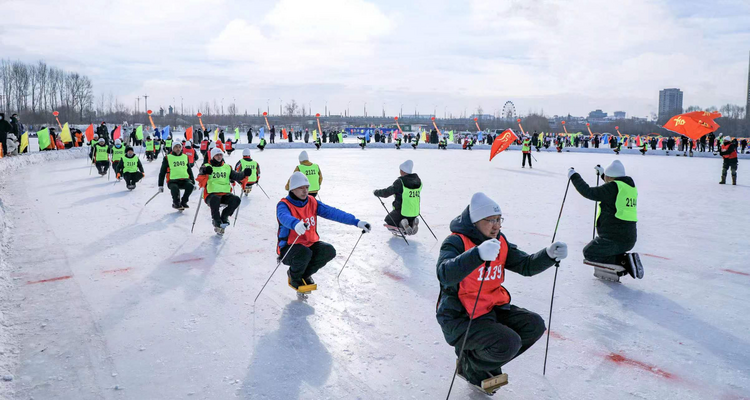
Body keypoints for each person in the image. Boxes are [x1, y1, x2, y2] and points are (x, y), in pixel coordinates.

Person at [436, 192, 568, 391]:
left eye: (499, 220)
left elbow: (525, 265)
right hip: (460, 317)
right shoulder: (455, 242)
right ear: (475, 222)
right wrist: (477, 255)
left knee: (534, 325)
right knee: (508, 342)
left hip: (491, 309)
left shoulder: (500, 240)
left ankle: (477, 363)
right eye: (490, 220)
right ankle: (470, 365)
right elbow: (445, 273)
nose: (496, 225)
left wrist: (548, 255)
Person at [277, 171, 371, 292]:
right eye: (301, 188)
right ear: (292, 189)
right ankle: (294, 276)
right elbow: (283, 217)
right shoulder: (284, 204)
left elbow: (333, 212)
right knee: (304, 253)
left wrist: (356, 222)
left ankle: (305, 274)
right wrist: (295, 224)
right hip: (289, 249)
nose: (305, 191)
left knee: (328, 251)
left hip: (309, 244)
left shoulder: (312, 201)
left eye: (306, 187)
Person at [568, 161, 642, 278]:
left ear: (610, 177)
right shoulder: (629, 187)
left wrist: (574, 176)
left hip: (613, 240)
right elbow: (612, 188)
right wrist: (603, 173)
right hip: (628, 239)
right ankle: (624, 259)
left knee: (589, 252)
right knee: (596, 250)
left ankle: (624, 261)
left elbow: (589, 192)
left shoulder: (613, 187)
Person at [197, 148, 251, 230]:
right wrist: (205, 170)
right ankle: (216, 220)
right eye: (217, 155)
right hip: (211, 195)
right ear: (212, 156)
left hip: (225, 194)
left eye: (220, 155)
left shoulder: (227, 167)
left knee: (236, 199)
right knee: (215, 199)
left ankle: (225, 216)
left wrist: (244, 173)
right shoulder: (207, 166)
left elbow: (237, 176)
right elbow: (201, 172)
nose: (219, 157)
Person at [373, 160, 421, 235]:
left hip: (402, 211)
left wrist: (377, 192)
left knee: (388, 220)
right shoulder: (418, 182)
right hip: (414, 211)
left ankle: (402, 224)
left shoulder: (400, 182)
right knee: (408, 219)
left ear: (403, 171)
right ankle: (412, 222)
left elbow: (387, 192)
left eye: (400, 170)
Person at [159, 142, 196, 209]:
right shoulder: (168, 158)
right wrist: (160, 185)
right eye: (176, 147)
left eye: (179, 147)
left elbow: (189, 170)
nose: (178, 149)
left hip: (184, 180)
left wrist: (193, 181)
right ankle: (176, 203)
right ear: (173, 148)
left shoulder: (185, 157)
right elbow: (162, 172)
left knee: (190, 186)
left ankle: (184, 202)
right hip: (173, 180)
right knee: (174, 188)